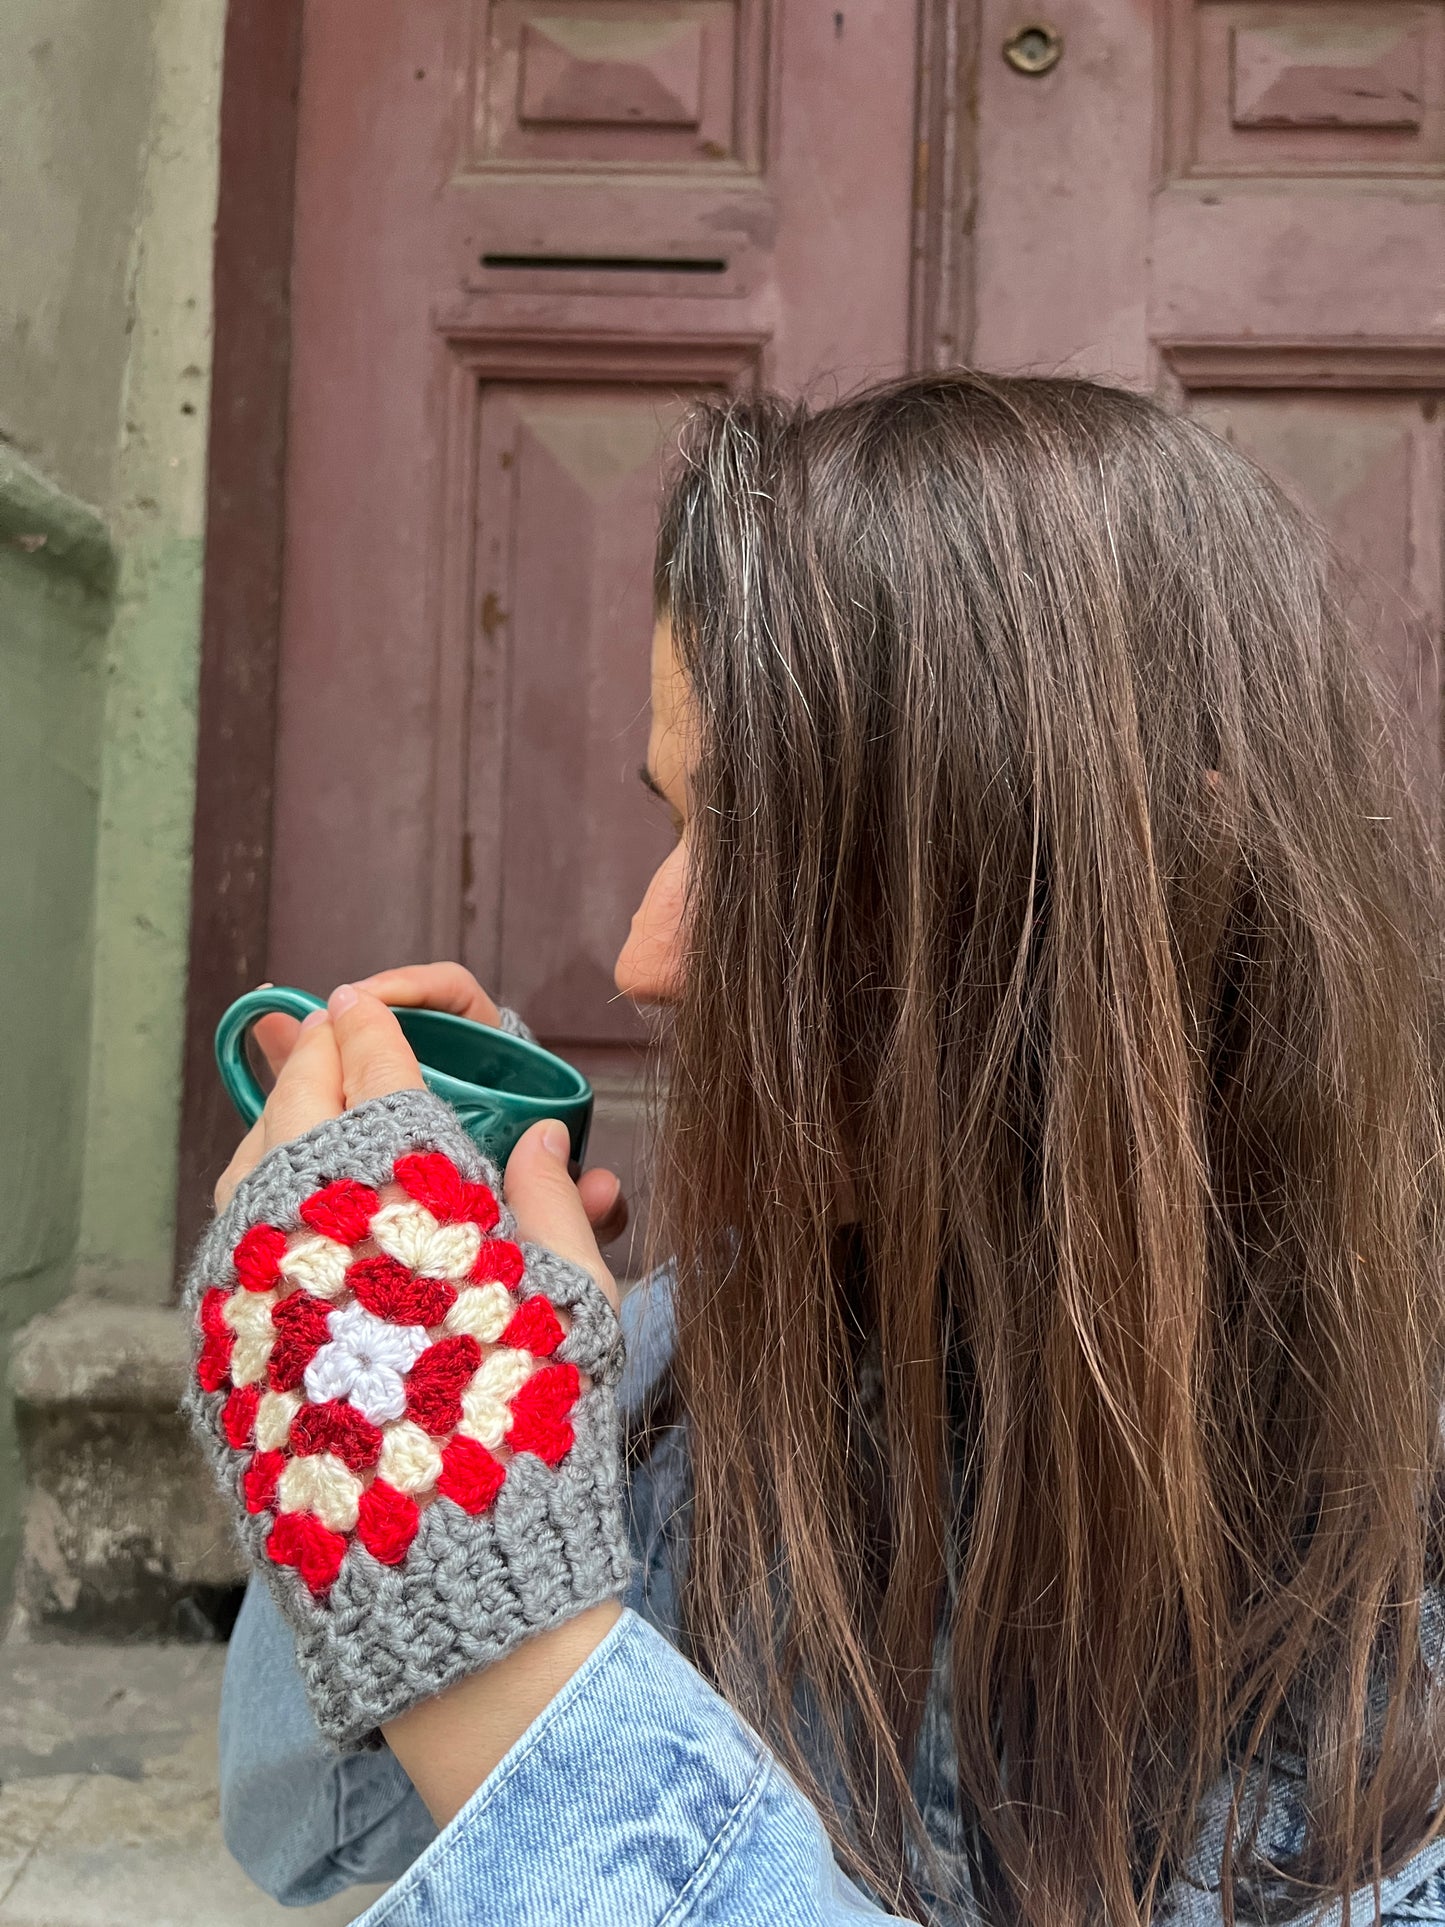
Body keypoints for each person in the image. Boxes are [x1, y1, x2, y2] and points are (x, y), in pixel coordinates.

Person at [202, 374, 1445, 1926]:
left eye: (757, 841)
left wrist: (501, 1658)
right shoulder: (707, 1364)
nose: (643, 960)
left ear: (1156, 889)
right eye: (675, 825)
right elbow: (314, 1826)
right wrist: (462, 1430)